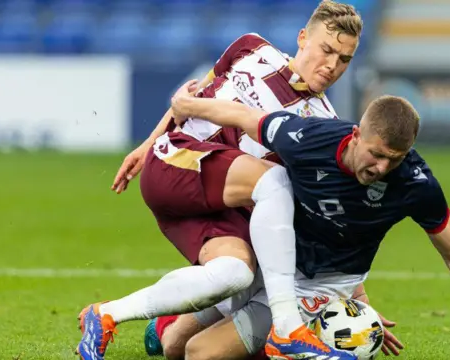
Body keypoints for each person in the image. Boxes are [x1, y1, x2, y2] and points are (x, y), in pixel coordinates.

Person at [77, 2, 367, 360]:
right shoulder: (251, 47)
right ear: (303, 37)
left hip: (217, 206)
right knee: (275, 180)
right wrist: (148, 145)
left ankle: (111, 316)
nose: (332, 66)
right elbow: (191, 101)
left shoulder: (322, 124)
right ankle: (288, 329)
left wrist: (351, 292)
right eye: (327, 50)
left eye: (344, 59)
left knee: (235, 274)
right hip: (176, 162)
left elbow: (322, 215)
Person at [164, 91, 450, 360]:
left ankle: (308, 333)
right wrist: (186, 105)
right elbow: (244, 116)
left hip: (321, 288)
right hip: (271, 265)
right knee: (174, 347)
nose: (381, 168)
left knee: (201, 353)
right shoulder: (308, 139)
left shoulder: (415, 184)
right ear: (356, 134)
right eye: (376, 154)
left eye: (393, 160)